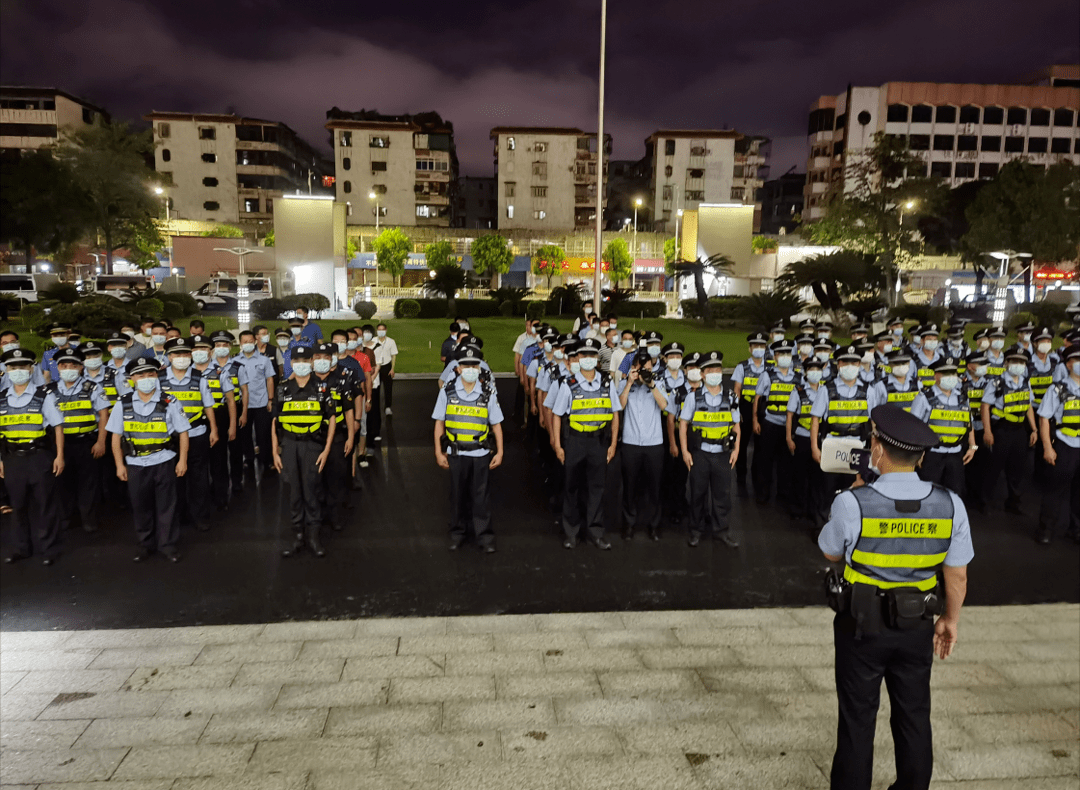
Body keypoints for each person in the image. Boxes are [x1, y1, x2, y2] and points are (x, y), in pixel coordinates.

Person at [819, 403, 973, 790]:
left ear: (877, 451)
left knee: (857, 720)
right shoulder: (951, 504)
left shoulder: (853, 503)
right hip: (917, 624)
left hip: (861, 625)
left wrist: (853, 494)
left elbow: (830, 551)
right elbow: (956, 575)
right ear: (920, 457)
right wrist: (950, 621)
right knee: (914, 715)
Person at [108, 357, 190, 562]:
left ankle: (167, 545)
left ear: (157, 376)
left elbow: (183, 433)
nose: (146, 378)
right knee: (140, 506)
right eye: (141, 375)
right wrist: (119, 465)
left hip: (164, 460)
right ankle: (145, 544)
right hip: (136, 464)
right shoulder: (123, 403)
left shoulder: (170, 401)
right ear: (132, 379)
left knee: (166, 506)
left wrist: (183, 461)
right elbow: (115, 436)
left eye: (151, 374)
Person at [550, 337, 621, 550]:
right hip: (575, 441)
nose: (588, 359)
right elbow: (556, 415)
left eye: (592, 355)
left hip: (599, 441)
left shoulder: (606, 383)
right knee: (572, 487)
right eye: (584, 355)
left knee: (596, 488)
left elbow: (615, 414)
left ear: (597, 359)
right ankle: (571, 533)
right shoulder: (568, 384)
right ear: (578, 358)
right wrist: (557, 445)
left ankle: (595, 532)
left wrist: (613, 443)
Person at [432, 347, 504, 553]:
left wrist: (499, 452)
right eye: (466, 365)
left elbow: (496, 425)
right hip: (456, 453)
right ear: (458, 368)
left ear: (480, 367)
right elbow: (439, 423)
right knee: (457, 496)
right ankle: (457, 533)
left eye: (474, 365)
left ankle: (484, 537)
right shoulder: (447, 391)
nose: (470, 369)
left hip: (480, 453)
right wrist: (438, 451)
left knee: (481, 497)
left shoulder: (488, 394)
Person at [1, 348, 65, 565]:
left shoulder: (44, 395)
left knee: (45, 504)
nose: (17, 371)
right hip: (12, 459)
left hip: (39, 457)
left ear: (31, 369)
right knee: (17, 506)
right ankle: (21, 548)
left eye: (22, 367)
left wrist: (60, 456)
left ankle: (49, 549)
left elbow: (58, 427)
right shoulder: (1, 399)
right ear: (6, 370)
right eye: (12, 367)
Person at [271, 346, 336, 558]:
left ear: (311, 362)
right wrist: (274, 451)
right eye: (296, 360)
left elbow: (332, 419)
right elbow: (274, 421)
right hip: (289, 445)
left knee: (312, 490)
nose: (300, 363)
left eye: (305, 359)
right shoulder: (282, 388)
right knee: (294, 492)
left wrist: (326, 450)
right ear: (291, 363)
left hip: (312, 445)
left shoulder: (322, 388)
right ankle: (297, 536)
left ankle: (314, 537)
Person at [810, 346, 883, 514]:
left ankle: (850, 526)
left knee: (855, 488)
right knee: (828, 489)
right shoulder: (826, 389)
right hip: (832, 445)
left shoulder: (868, 390)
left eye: (854, 362)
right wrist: (814, 447)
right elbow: (815, 420)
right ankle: (824, 526)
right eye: (846, 362)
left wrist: (875, 448)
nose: (850, 366)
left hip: (859, 446)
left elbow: (873, 423)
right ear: (838, 364)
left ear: (859, 364)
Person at [679, 351, 740, 548]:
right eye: (710, 370)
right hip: (701, 454)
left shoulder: (730, 396)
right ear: (702, 374)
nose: (715, 373)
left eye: (718, 369)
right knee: (697, 494)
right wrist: (685, 452)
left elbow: (736, 425)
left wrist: (737, 449)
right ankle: (696, 531)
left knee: (722, 496)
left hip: (723, 453)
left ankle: (721, 531)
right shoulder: (693, 397)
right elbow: (683, 424)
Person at [47, 348, 111, 534]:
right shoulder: (49, 390)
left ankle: (88, 519)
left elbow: (103, 414)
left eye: (73, 365)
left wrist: (101, 442)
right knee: (62, 481)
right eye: (64, 365)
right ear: (57, 367)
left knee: (88, 483)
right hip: (61, 444)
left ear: (81, 367)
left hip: (86, 442)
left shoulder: (92, 387)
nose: (69, 368)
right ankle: (67, 517)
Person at [159, 337, 217, 531]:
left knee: (199, 478)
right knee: (173, 480)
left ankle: (200, 516)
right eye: (177, 354)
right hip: (170, 437)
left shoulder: (199, 377)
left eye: (185, 354)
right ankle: (179, 515)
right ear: (169, 356)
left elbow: (208, 405)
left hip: (196, 433)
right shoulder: (159, 379)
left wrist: (214, 429)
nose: (182, 358)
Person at [618, 349, 669, 541]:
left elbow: (665, 406)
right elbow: (619, 406)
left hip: (654, 443)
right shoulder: (625, 384)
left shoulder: (659, 383)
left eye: (649, 369)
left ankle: (654, 526)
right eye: (642, 370)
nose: (645, 372)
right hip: (631, 442)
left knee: (655, 487)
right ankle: (629, 525)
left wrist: (652, 384)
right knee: (629, 487)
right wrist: (629, 383)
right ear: (634, 369)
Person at [981, 348, 1037, 514]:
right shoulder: (997, 383)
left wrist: (1034, 429)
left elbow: (1028, 407)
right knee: (994, 467)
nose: (1018, 365)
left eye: (1021, 362)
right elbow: (985, 406)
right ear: (1006, 363)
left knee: (1017, 468)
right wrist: (987, 431)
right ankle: (985, 502)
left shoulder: (1025, 383)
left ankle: (1013, 503)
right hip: (1001, 429)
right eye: (1014, 362)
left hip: (1020, 430)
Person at [910, 357, 977, 494]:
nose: (951, 377)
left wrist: (972, 446)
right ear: (936, 376)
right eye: (946, 374)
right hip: (932, 454)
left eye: (953, 373)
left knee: (955, 493)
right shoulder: (924, 397)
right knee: (928, 494)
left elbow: (968, 423)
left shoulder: (962, 398)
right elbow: (914, 427)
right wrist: (917, 452)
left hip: (956, 454)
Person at [1036, 346, 1080, 544]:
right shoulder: (1057, 389)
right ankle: (1046, 529)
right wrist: (1047, 447)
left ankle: (1076, 529)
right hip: (1064, 445)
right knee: (1055, 491)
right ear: (1069, 364)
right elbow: (1044, 418)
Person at [753, 339, 801, 510]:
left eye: (788, 353)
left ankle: (783, 494)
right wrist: (755, 420)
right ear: (775, 356)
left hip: (788, 426)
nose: (785, 357)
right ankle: (763, 493)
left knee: (786, 462)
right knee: (765, 460)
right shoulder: (767, 375)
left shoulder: (797, 377)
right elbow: (758, 398)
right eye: (781, 354)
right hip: (770, 423)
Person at [191, 333, 236, 509]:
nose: (199, 352)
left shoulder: (220, 372)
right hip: (194, 421)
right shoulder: (188, 372)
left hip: (218, 417)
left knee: (218, 460)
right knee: (198, 463)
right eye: (195, 349)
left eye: (203, 348)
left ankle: (221, 497)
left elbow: (231, 400)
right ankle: (200, 499)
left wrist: (232, 426)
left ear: (210, 351)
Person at [786, 356, 826, 529]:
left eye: (818, 369)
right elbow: (790, 415)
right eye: (811, 369)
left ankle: (812, 509)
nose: (815, 372)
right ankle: (796, 508)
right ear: (805, 371)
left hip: (820, 440)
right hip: (802, 437)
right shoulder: (799, 391)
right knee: (800, 475)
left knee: (817, 477)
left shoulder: (826, 391)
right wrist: (789, 437)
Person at [731, 331, 769, 496]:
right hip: (746, 406)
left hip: (763, 407)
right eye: (756, 346)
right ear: (750, 348)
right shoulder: (742, 366)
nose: (758, 349)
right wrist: (737, 410)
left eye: (762, 346)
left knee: (761, 445)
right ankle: (741, 475)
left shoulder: (770, 366)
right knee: (743, 441)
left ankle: (757, 474)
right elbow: (737, 389)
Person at [235, 329, 276, 476]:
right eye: (245, 342)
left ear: (255, 342)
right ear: (240, 343)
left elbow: (269, 379)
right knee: (244, 434)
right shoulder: (235, 361)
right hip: (243, 405)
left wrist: (270, 399)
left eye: (250, 342)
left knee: (263, 434)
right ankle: (249, 458)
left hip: (261, 403)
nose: (248, 344)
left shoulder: (264, 360)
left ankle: (266, 460)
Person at [659, 342, 688, 527]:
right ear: (665, 359)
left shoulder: (688, 377)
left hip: (685, 428)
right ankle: (669, 506)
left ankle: (680, 502)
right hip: (664, 426)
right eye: (671, 357)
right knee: (667, 468)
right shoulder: (660, 378)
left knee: (682, 471)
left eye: (678, 357)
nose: (675, 360)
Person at [961, 353, 991, 512]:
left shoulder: (991, 381)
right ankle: (965, 497)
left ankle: (981, 498)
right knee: (965, 465)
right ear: (969, 366)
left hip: (983, 428)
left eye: (984, 363)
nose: (983, 366)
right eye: (979, 363)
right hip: (966, 430)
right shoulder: (960, 381)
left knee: (983, 465)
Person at [374, 322, 399, 416]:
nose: (381, 332)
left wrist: (392, 369)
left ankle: (388, 407)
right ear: (377, 331)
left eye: (382, 330)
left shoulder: (391, 341)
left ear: (386, 330)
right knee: (375, 388)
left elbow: (393, 356)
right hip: (376, 367)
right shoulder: (373, 341)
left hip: (387, 366)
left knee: (388, 388)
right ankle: (375, 406)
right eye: (379, 330)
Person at [911, 324, 943, 389]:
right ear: (922, 341)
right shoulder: (914, 360)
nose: (932, 342)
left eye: (935, 339)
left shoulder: (941, 359)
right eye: (929, 339)